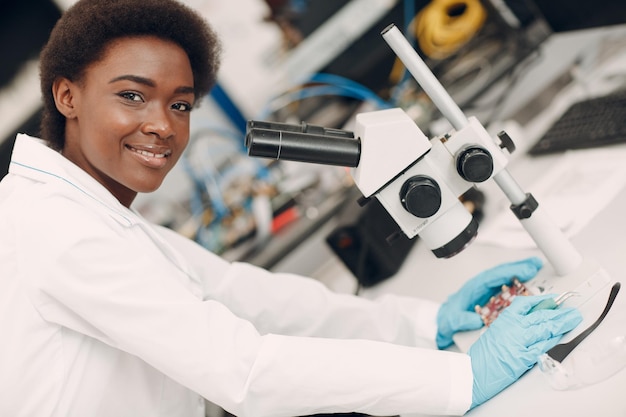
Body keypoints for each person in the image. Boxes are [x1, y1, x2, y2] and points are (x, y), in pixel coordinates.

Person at [0, 1, 583, 416]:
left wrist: (421, 326)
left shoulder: (83, 205)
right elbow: (245, 371)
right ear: (67, 95)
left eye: (180, 104)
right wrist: (464, 379)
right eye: (132, 95)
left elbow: (238, 294)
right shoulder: (54, 228)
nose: (161, 124)